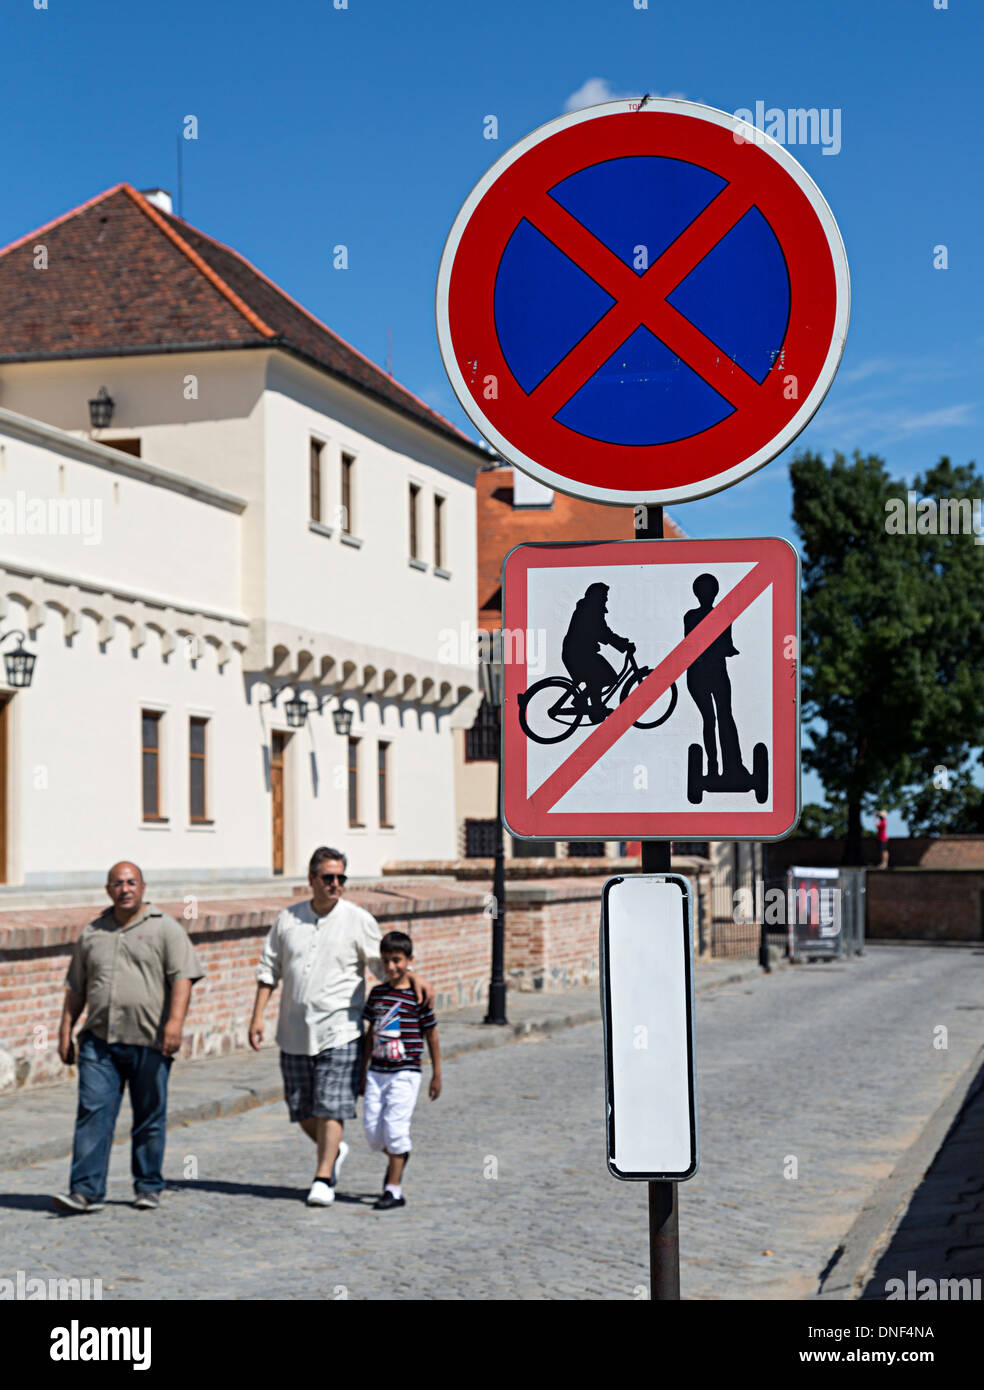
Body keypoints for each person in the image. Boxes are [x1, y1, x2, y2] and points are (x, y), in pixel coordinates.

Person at [249, 846, 433, 1207]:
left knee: (332, 1106)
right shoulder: (287, 920)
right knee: (301, 1108)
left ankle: (322, 1178)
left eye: (341, 878)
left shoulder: (358, 920)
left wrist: (415, 978)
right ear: (312, 879)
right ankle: (334, 1151)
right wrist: (257, 1016)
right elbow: (268, 970)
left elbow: (384, 966)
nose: (336, 884)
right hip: (294, 1031)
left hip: (342, 1029)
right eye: (328, 878)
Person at [53, 862, 204, 1215]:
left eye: (131, 882)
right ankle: (85, 1191)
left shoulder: (166, 929)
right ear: (108, 890)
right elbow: (76, 987)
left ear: (143, 887)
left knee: (149, 1115)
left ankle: (148, 1185)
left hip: (150, 1041)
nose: (125, 889)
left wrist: (175, 1024)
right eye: (118, 883)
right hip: (99, 1042)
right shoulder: (93, 932)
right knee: (93, 1114)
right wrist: (65, 1030)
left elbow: (183, 978)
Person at [360, 930, 441, 1210]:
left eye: (397, 960)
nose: (391, 967)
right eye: (386, 961)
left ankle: (393, 1189)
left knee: (395, 1129)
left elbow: (431, 1035)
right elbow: (371, 1032)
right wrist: (362, 1070)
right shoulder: (378, 993)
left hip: (405, 1071)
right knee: (372, 1132)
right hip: (376, 1070)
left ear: (409, 960)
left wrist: (436, 1074)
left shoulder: (418, 997)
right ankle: (399, 1154)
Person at [684, 573, 746, 780]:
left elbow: (723, 645)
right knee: (716, 718)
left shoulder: (700, 616)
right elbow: (704, 645)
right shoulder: (698, 616)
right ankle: (719, 767)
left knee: (716, 718)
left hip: (706, 673)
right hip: (705, 674)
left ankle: (727, 766)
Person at [562, 582, 634, 724]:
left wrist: (621, 643)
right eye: (604, 596)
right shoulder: (590, 610)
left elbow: (602, 632)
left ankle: (595, 709)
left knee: (598, 678)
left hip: (579, 654)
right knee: (608, 677)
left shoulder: (588, 608)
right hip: (579, 655)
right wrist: (623, 644)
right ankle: (585, 702)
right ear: (597, 597)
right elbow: (602, 632)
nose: (606, 599)